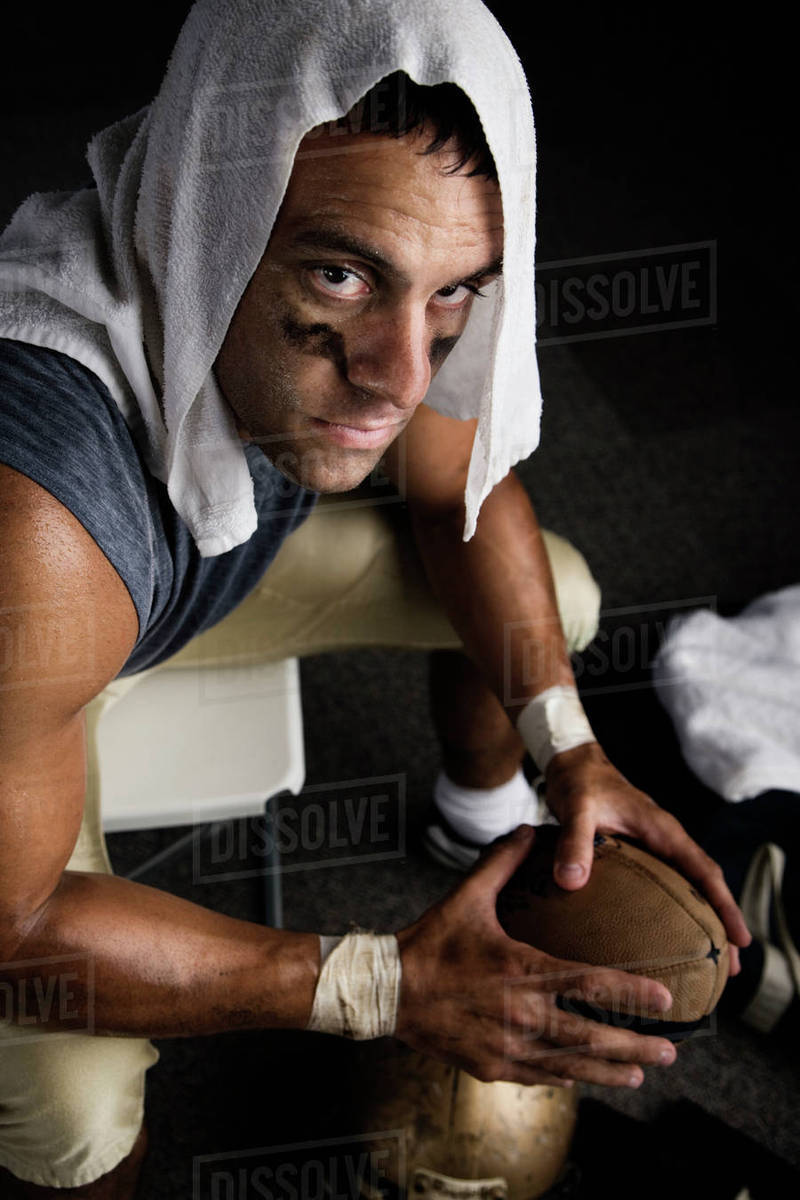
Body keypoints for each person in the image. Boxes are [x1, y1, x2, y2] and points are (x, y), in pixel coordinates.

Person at [0, 0, 750, 1194]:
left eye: (454, 291)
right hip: (48, 662)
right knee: (79, 1116)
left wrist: (568, 750)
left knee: (549, 592)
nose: (403, 373)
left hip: (173, 589)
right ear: (207, 214)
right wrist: (380, 982)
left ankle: (482, 814)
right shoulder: (29, 518)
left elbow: (458, 488)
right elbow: (15, 933)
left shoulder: (397, 329)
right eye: (343, 275)